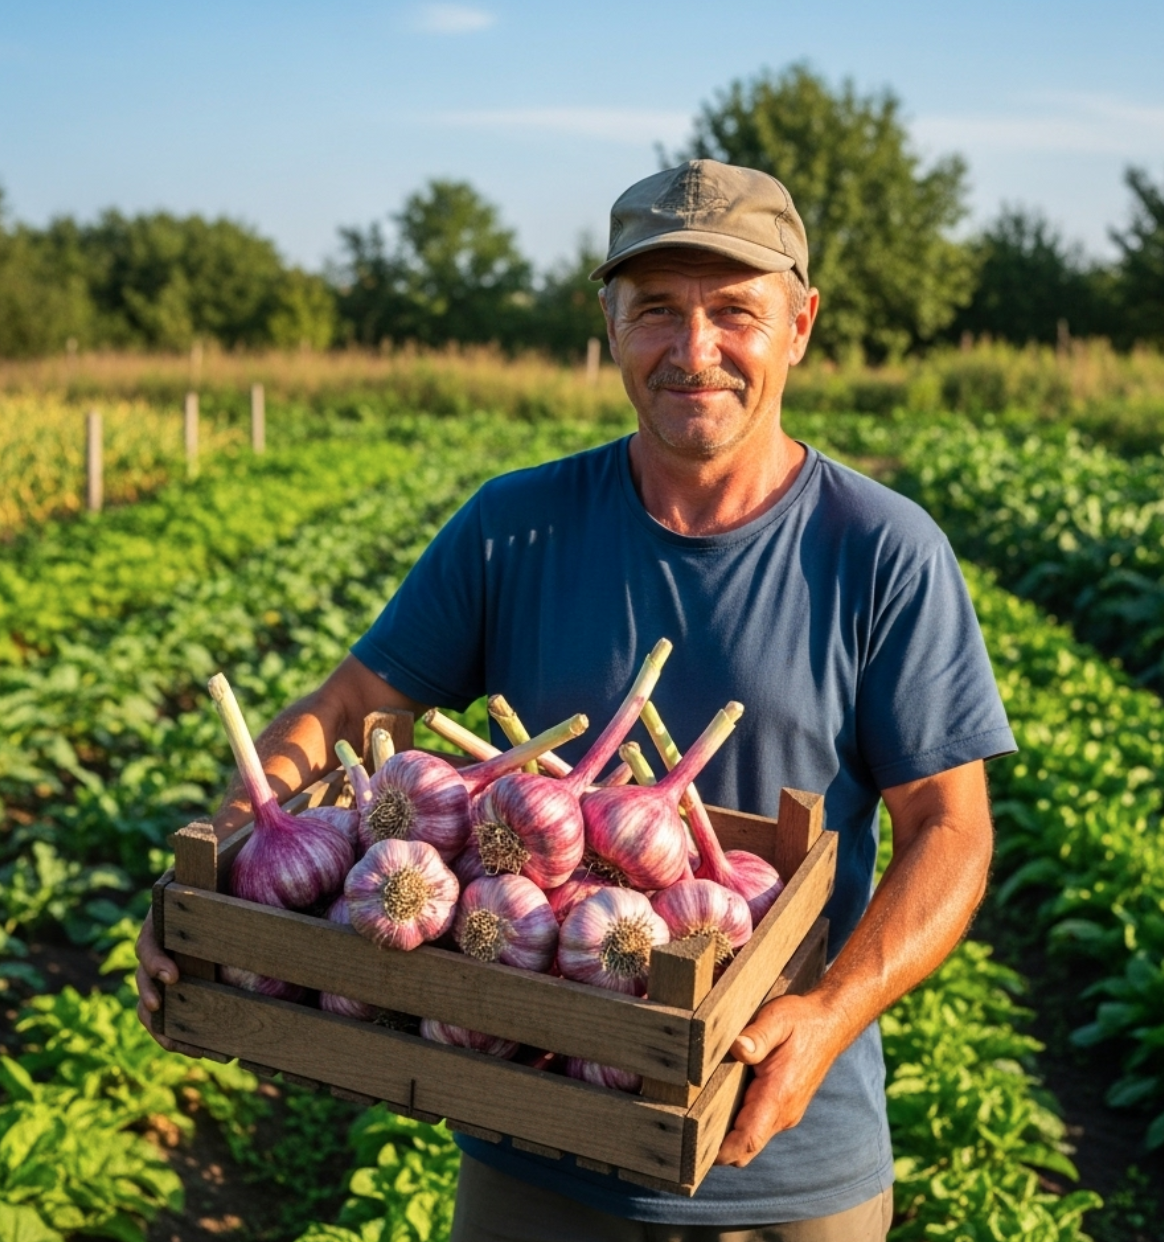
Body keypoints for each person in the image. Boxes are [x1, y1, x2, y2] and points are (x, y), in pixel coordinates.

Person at [136, 159, 1015, 1241]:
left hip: (782, 1165)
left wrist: (828, 1016)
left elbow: (951, 830)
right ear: (610, 325)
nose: (694, 349)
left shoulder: (882, 552)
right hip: (530, 1148)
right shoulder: (514, 526)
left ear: (800, 325)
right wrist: (222, 861)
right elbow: (352, 704)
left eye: (734, 312)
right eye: (657, 310)